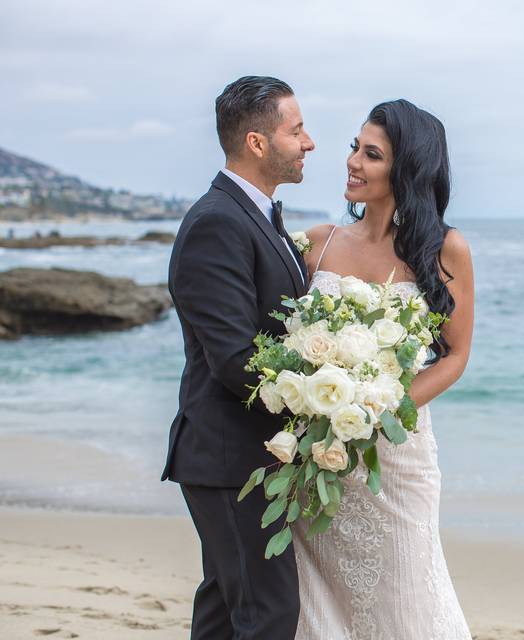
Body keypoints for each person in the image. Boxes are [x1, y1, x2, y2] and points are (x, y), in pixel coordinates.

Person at [293, 99, 474, 639]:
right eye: (355, 147)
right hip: (318, 454)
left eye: (371, 154)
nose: (352, 161)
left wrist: (379, 411)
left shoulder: (445, 250)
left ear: (406, 171)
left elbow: (456, 356)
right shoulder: (317, 246)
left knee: (408, 595)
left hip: (395, 457)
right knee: (319, 604)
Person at [164, 75, 315, 640]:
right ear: (257, 142)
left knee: (228, 614)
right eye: (296, 130)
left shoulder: (254, 216)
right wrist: (325, 394)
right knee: (267, 615)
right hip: (230, 457)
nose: (309, 143)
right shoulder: (218, 222)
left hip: (242, 456)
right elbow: (234, 358)